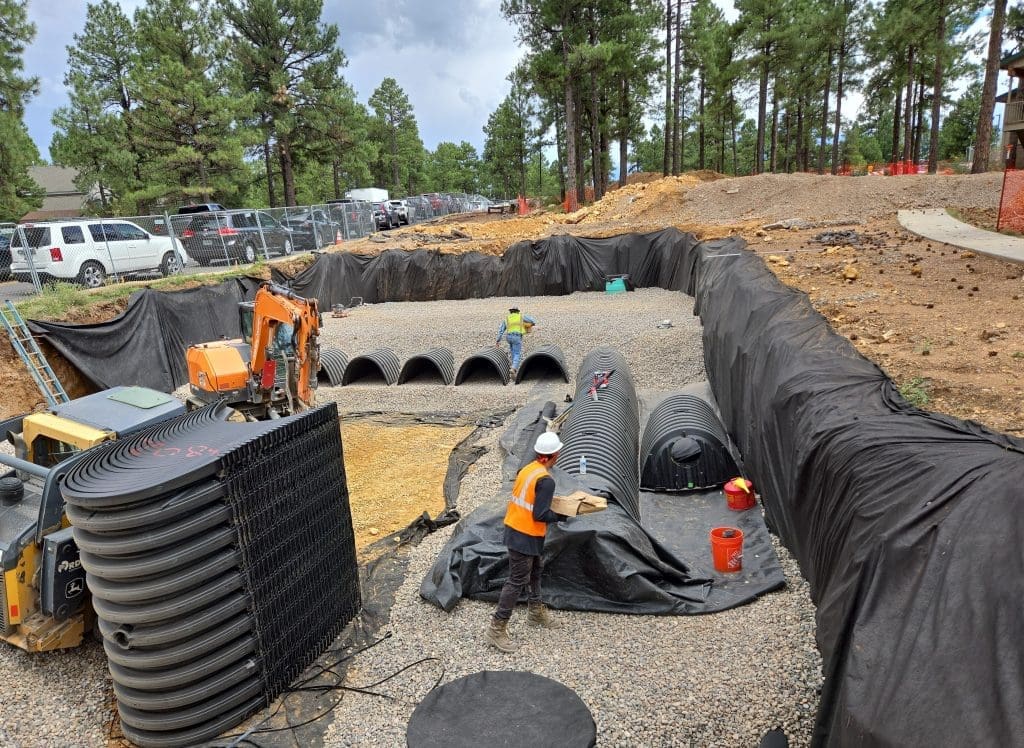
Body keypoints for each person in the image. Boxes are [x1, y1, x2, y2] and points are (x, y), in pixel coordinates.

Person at [486, 431, 568, 653]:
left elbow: (530, 502)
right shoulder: (545, 480)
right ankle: (496, 629)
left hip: (516, 528)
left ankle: (535, 612)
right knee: (517, 580)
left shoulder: (528, 470)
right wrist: (562, 515)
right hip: (525, 533)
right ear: (554, 455)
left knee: (535, 571)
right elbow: (540, 515)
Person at [495, 307, 536, 373]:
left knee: (513, 352)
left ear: (510, 312)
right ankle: (514, 368)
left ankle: (513, 369)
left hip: (508, 337)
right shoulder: (521, 317)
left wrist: (498, 340)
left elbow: (501, 330)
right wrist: (531, 324)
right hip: (516, 337)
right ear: (517, 311)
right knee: (517, 353)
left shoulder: (507, 318)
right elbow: (533, 321)